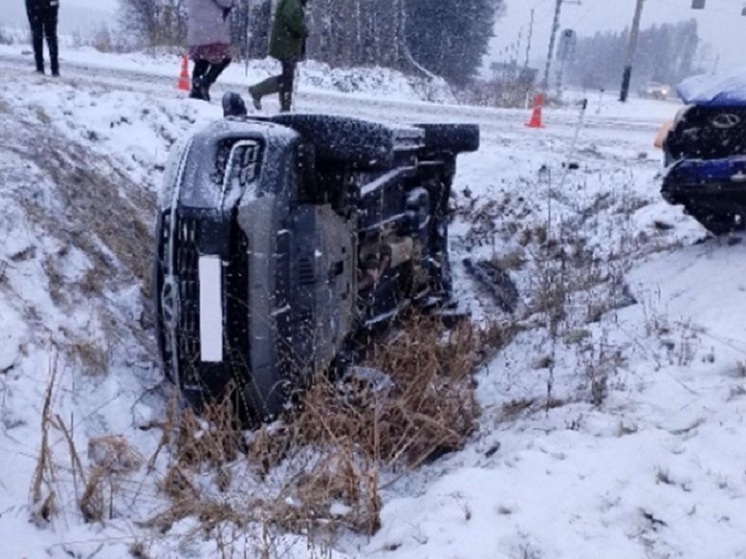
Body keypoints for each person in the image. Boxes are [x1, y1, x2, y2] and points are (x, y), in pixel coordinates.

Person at [248, 0, 309, 112]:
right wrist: (302, 30)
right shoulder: (293, 3)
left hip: (285, 43)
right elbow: (291, 19)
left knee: (287, 77)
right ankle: (259, 91)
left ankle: (284, 106)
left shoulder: (293, 2)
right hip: (286, 44)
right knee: (287, 77)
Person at [186, 0, 235, 102]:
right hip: (211, 28)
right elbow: (226, 2)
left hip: (197, 26)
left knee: (201, 61)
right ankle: (205, 83)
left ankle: (196, 90)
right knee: (224, 59)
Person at [25, 0, 60, 76]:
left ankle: (43, 67)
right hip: (48, 5)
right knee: (49, 36)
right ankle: (53, 68)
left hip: (40, 5)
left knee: (40, 36)